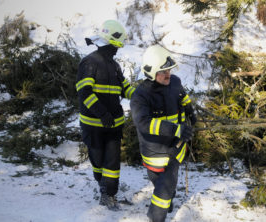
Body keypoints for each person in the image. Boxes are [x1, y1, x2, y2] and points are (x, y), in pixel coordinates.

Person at [130, 45, 196, 222]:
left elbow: (182, 96)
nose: (168, 74)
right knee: (159, 182)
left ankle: (155, 217)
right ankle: (168, 199)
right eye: (163, 71)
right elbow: (143, 122)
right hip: (154, 151)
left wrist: (190, 111)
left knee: (165, 187)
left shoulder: (174, 82)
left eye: (169, 70)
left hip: (175, 148)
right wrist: (176, 129)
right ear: (151, 72)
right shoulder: (140, 96)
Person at [75, 20, 135, 211]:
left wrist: (141, 95)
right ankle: (103, 187)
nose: (117, 50)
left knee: (112, 161)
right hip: (93, 125)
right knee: (98, 160)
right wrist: (102, 114)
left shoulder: (114, 66)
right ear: (109, 43)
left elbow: (124, 88)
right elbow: (84, 93)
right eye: (116, 46)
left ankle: (109, 193)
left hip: (113, 125)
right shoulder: (89, 63)